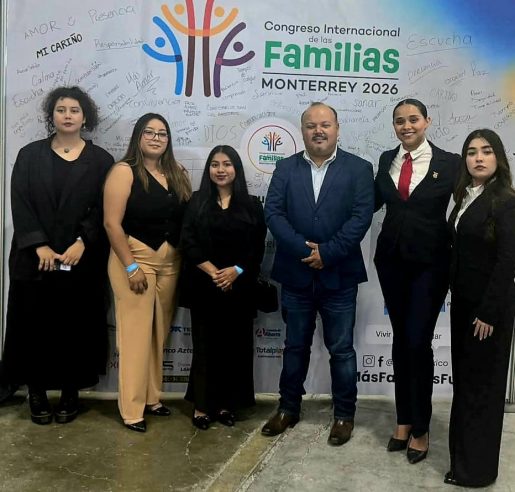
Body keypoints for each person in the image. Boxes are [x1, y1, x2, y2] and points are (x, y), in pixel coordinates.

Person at [262, 102, 374, 446]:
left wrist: (328, 252)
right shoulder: (285, 168)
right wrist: (304, 249)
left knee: (342, 350)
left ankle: (344, 415)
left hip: (339, 275)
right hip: (296, 275)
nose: (318, 131)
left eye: (325, 124)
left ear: (337, 128)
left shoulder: (359, 168)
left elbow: (361, 217)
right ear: (303, 131)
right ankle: (288, 408)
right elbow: (273, 213)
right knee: (295, 346)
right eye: (311, 125)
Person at [2, 86, 114, 424]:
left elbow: (104, 208)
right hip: (34, 260)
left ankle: (70, 392)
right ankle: (36, 392)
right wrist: (39, 244)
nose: (68, 115)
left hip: (80, 261)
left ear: (85, 117)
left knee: (75, 327)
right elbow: (20, 202)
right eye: (61, 109)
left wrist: (83, 242)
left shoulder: (101, 160)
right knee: (32, 326)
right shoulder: (29, 155)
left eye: (74, 110)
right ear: (51, 115)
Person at [374, 98, 460, 463]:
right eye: (399, 121)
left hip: (430, 265)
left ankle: (421, 429)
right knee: (400, 340)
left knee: (417, 342)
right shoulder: (386, 160)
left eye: (413, 119)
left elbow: (469, 205)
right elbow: (369, 203)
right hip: (391, 262)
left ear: (427, 121)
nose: (406, 126)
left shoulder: (450, 163)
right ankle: (404, 419)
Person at [103, 113, 191, 433]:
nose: (156, 138)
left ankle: (152, 398)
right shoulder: (123, 171)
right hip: (134, 262)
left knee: (158, 335)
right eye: (149, 132)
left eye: (162, 133)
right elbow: (112, 224)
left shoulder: (178, 172)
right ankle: (131, 410)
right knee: (135, 337)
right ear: (138, 137)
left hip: (170, 265)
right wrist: (130, 267)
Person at [444, 129, 515, 488]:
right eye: (471, 152)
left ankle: (477, 472)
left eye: (486, 151)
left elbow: (508, 261)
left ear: (498, 157)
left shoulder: (506, 201)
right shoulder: (465, 196)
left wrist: (488, 312)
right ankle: (462, 462)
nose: (478, 158)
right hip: (464, 305)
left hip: (488, 312)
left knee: (483, 390)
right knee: (467, 385)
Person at [180, 145, 266, 430]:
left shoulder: (252, 205)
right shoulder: (196, 201)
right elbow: (188, 241)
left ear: (236, 169)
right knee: (205, 347)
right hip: (204, 287)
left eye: (227, 164)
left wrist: (235, 271)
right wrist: (213, 272)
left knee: (235, 348)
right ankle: (202, 406)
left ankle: (228, 405)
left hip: (239, 288)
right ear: (209, 170)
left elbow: (256, 246)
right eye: (215, 164)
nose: (220, 170)